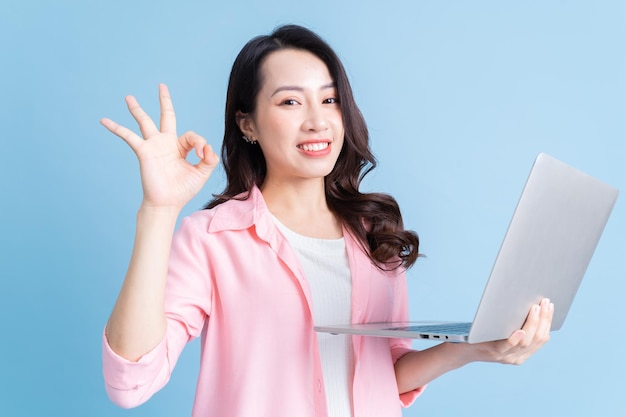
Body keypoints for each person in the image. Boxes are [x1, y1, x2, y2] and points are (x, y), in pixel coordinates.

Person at [100, 25, 554, 417]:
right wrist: (158, 210)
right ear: (248, 125)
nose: (317, 121)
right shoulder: (212, 239)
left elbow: (385, 373)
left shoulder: (374, 236)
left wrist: (475, 347)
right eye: (290, 102)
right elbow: (131, 382)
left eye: (330, 99)